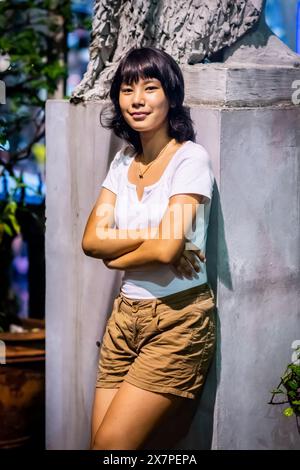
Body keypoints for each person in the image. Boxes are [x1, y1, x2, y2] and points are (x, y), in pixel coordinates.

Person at [81, 46, 216, 450]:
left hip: (177, 321)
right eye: (126, 90)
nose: (137, 100)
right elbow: (91, 242)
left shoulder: (190, 159)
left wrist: (122, 251)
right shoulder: (123, 162)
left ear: (171, 96)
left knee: (111, 449)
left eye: (150, 87)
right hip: (124, 318)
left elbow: (165, 251)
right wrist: (157, 236)